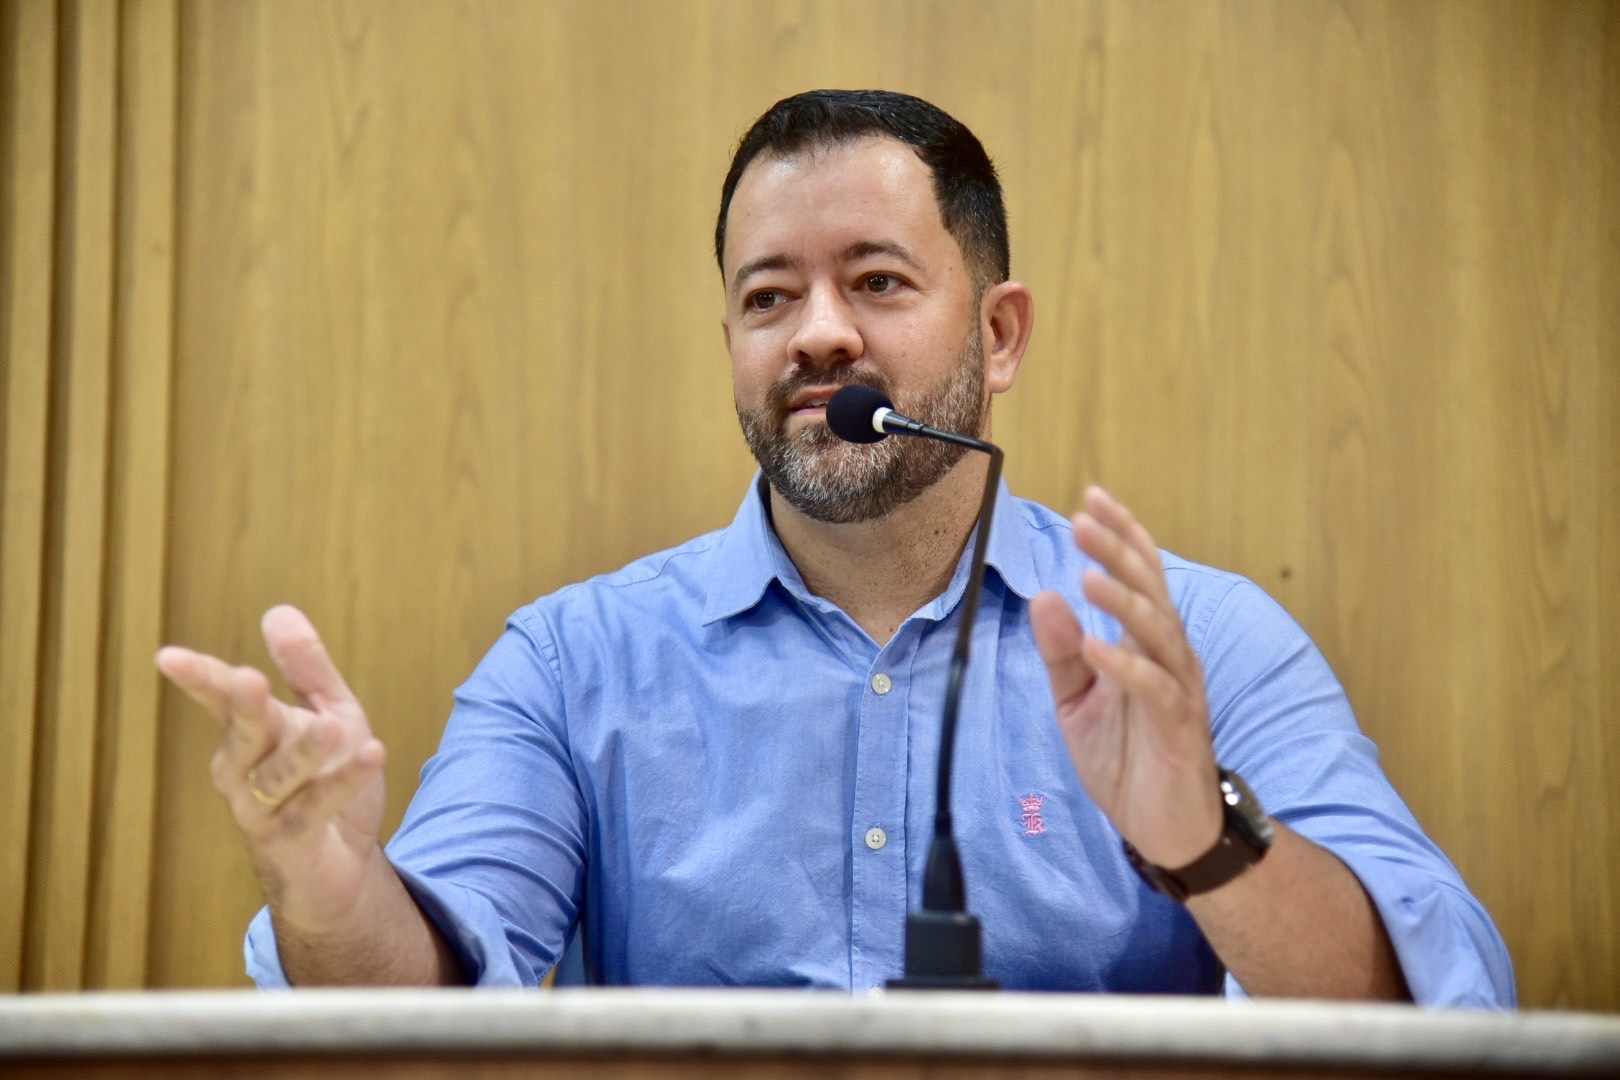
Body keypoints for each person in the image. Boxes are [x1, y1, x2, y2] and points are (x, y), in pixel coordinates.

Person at [157, 89, 1514, 1004]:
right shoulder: (573, 664)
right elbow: (420, 1005)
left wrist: (1202, 841)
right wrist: (328, 888)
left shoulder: (1195, 650)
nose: (818, 334)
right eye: (768, 296)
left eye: (875, 280)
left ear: (998, 335)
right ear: (733, 347)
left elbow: (1429, 1005)